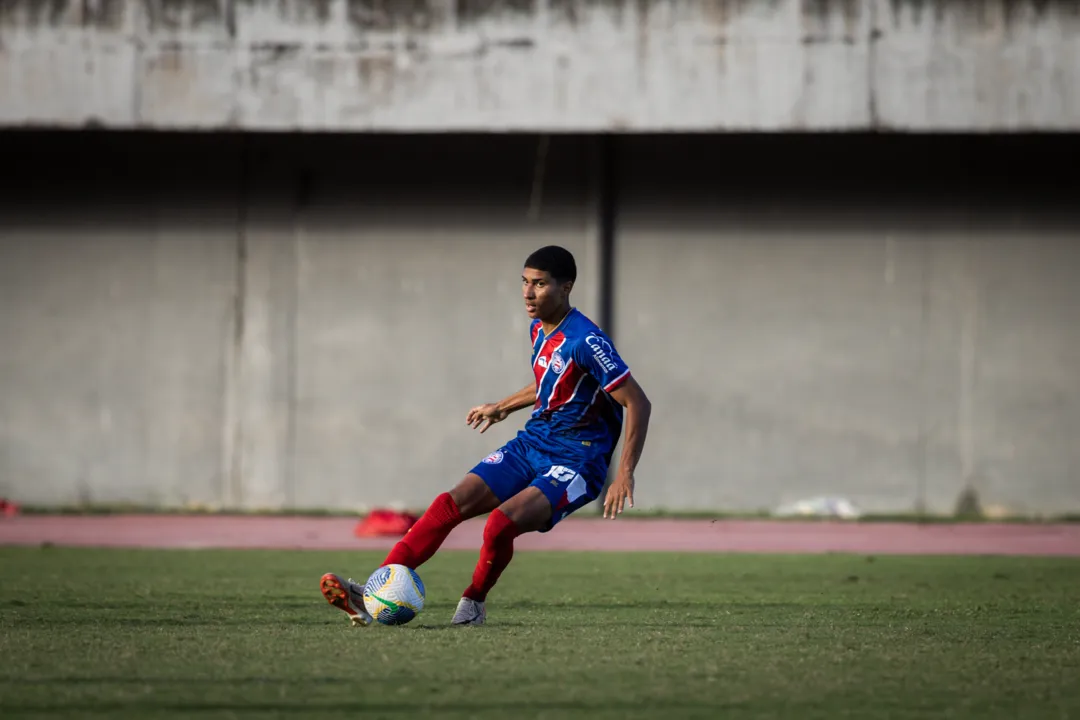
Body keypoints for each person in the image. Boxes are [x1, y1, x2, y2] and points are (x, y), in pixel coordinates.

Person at [320, 245, 652, 626]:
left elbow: (638, 402)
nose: (528, 293)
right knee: (451, 502)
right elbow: (553, 380)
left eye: (540, 284)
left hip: (578, 459)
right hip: (534, 443)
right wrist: (504, 405)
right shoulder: (539, 328)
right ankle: (373, 592)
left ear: (566, 287)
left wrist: (624, 472)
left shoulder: (587, 341)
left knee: (500, 524)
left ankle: (473, 602)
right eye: (525, 283)